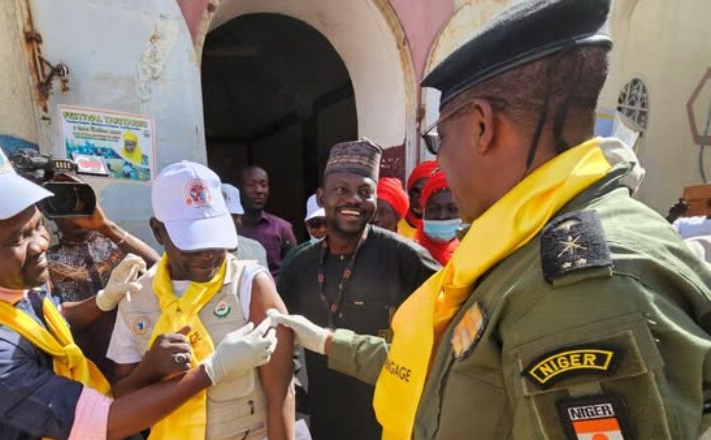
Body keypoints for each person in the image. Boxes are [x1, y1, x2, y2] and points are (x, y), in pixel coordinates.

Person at [271, 0, 711, 439]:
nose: (439, 159)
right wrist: (327, 341)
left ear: (483, 126)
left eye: (440, 138)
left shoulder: (583, 292)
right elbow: (434, 363)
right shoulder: (522, 250)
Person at [0, 129, 278, 439]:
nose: (38, 243)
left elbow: (48, 321)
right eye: (18, 238)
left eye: (38, 226)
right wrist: (212, 370)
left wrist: (103, 300)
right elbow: (103, 424)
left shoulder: (6, 283)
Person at [107, 161, 295, 439]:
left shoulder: (250, 285)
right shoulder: (136, 297)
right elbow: (120, 402)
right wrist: (149, 369)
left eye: (215, 238)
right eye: (193, 242)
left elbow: (282, 396)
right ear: (158, 231)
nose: (208, 253)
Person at [278, 139, 440, 440]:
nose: (353, 200)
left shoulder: (405, 257)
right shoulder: (299, 265)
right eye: (341, 190)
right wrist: (292, 387)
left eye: (365, 192)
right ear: (321, 196)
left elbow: (448, 321)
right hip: (324, 421)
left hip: (392, 421)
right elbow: (278, 331)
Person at [46, 173, 160, 379]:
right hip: (86, 367)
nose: (75, 212)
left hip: (133, 359)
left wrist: (106, 226)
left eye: (82, 200)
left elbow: (158, 268)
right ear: (52, 212)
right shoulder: (49, 261)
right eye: (66, 203)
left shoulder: (115, 245)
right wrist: (104, 300)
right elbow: (55, 317)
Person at [239, 165, 297, 277]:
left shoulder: (282, 228)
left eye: (264, 185)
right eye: (251, 185)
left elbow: (295, 268)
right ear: (240, 188)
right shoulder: (230, 229)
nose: (259, 190)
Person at [278, 194, 327, 284]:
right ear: (307, 225)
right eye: (315, 223)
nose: (322, 229)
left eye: (329, 223)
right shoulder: (294, 257)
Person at [415, 170, 460, 265]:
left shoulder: (468, 256)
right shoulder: (408, 257)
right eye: (433, 209)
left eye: (452, 209)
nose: (442, 216)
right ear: (423, 212)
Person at [221, 182, 270, 268]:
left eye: (237, 216)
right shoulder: (198, 255)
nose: (238, 221)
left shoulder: (256, 249)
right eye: (231, 216)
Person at [398, 160, 437, 239]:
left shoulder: (444, 231)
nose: (420, 199)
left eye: (426, 192)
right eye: (416, 191)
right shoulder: (393, 224)